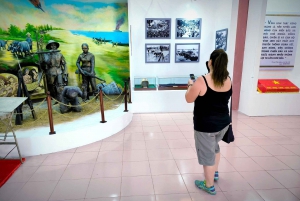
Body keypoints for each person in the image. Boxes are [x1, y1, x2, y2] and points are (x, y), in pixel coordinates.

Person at [185, 49, 232, 195]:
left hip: (206, 127)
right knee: (215, 148)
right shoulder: (228, 79)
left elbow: (189, 98)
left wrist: (189, 86)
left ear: (210, 62)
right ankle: (215, 173)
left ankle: (209, 185)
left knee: (207, 155)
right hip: (223, 124)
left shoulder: (202, 80)